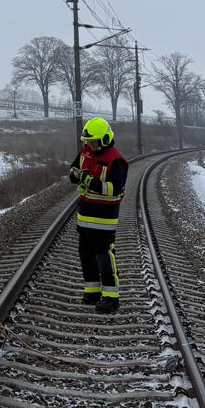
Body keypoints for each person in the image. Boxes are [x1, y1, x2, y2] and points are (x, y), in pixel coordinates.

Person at [69, 116, 128, 312]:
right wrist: (74, 175)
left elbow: (114, 188)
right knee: (85, 254)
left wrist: (88, 180)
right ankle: (92, 292)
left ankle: (111, 298)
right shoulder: (86, 152)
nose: (89, 145)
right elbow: (74, 170)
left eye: (93, 141)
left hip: (104, 218)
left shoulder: (116, 160)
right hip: (85, 216)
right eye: (87, 141)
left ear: (104, 139)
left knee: (104, 255)